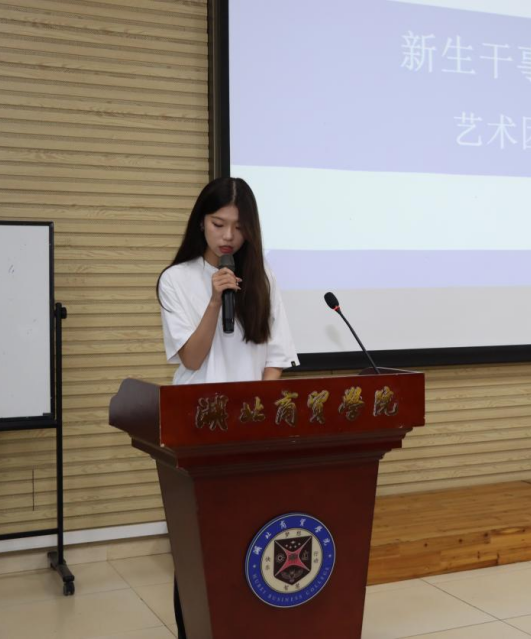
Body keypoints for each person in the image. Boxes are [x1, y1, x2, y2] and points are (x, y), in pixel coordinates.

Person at [156, 176, 298, 637]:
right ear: (201, 222)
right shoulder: (176, 280)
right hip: (197, 427)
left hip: (251, 427)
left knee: (250, 535)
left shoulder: (262, 275)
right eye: (219, 224)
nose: (228, 236)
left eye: (238, 227)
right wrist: (215, 300)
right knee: (197, 541)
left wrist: (259, 416)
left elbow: (276, 357)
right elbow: (192, 358)